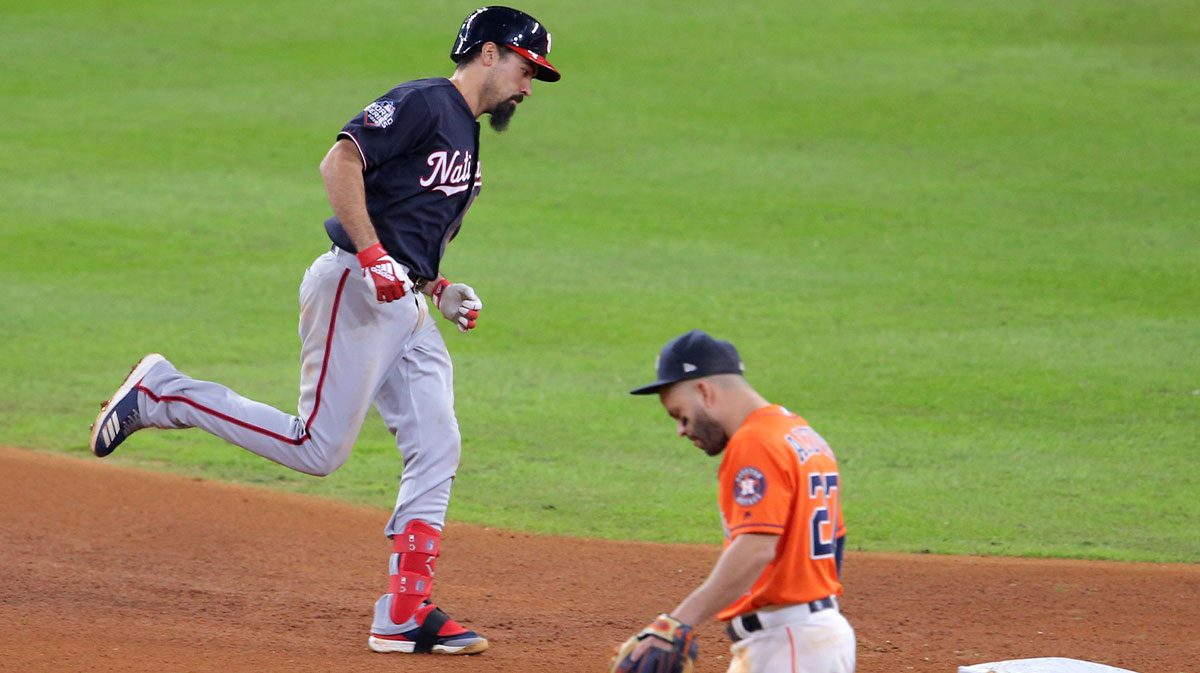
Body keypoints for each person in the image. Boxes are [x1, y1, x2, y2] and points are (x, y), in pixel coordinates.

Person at [88, 6, 560, 657]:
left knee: (437, 440)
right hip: (352, 286)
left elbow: (411, 237)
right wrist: (371, 256)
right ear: (486, 52)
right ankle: (165, 394)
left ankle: (403, 609)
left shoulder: (468, 135)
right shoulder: (425, 103)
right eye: (526, 67)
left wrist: (441, 291)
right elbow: (339, 163)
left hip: (405, 308)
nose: (529, 86)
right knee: (318, 448)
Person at [617, 329, 855, 673]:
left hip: (789, 646)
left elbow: (756, 549)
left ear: (704, 391)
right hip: (806, 639)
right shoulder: (802, 434)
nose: (681, 430)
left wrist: (677, 622)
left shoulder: (754, 443)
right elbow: (836, 540)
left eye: (679, 414)